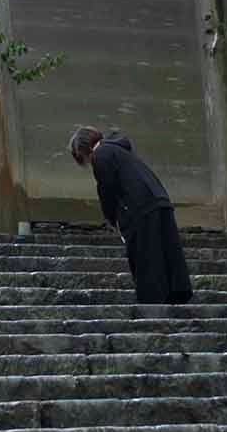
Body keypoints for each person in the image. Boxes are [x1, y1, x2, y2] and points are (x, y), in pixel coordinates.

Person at [68, 126, 193, 305]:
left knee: (145, 255)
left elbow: (107, 190)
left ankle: (153, 301)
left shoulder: (101, 155)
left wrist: (113, 219)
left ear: (83, 149)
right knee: (167, 251)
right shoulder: (120, 150)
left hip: (140, 208)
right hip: (159, 201)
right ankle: (177, 294)